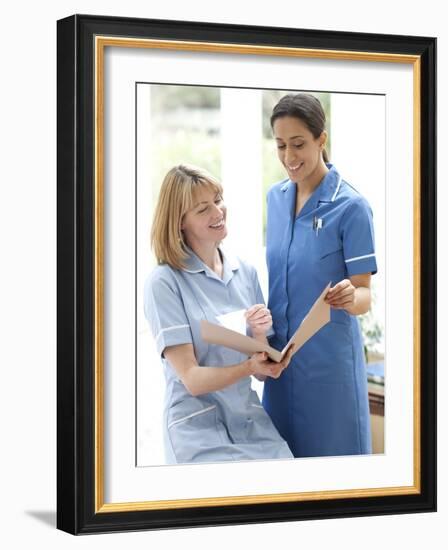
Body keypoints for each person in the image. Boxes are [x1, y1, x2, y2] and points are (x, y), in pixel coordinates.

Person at [144, 164, 294, 464]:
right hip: (196, 429)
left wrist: (263, 342)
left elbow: (262, 369)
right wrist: (249, 367)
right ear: (179, 222)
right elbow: (192, 379)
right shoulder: (164, 282)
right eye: (203, 208)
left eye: (218, 198)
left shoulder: (244, 271)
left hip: (250, 421)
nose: (218, 211)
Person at [262, 93, 377, 458]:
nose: (289, 157)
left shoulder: (352, 207)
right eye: (281, 145)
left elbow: (364, 295)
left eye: (299, 144)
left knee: (337, 487)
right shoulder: (275, 199)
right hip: (281, 367)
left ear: (321, 139)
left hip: (330, 373)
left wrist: (349, 294)